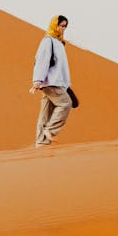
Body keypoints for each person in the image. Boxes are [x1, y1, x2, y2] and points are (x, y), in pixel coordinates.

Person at [30, 16, 73, 146]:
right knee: (65, 103)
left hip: (56, 81)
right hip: (51, 82)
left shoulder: (58, 42)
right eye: (61, 25)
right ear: (55, 25)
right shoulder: (48, 41)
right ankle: (50, 130)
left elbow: (61, 66)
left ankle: (41, 142)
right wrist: (37, 80)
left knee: (45, 112)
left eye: (65, 26)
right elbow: (42, 60)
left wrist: (67, 84)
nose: (63, 28)